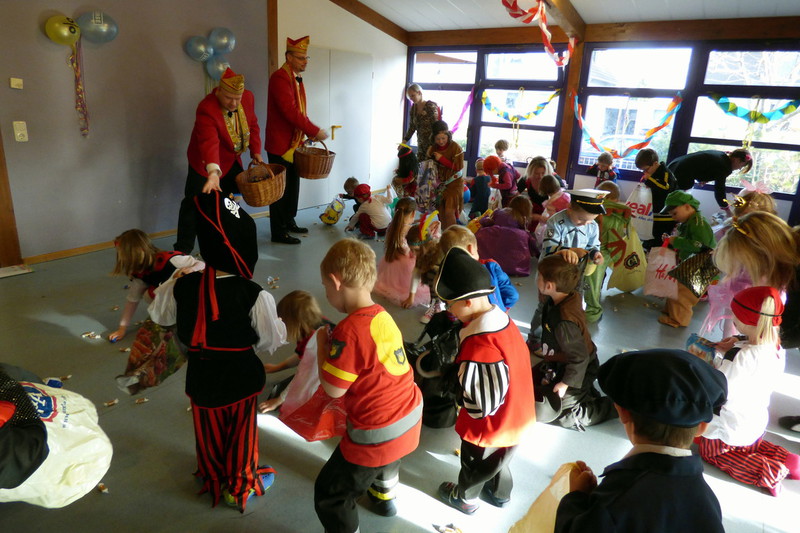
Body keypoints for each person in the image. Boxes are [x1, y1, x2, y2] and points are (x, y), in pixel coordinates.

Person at [149, 191, 287, 512]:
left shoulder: (183, 284)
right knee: (241, 432)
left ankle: (212, 475)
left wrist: (174, 280)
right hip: (240, 376)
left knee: (207, 427)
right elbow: (271, 339)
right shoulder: (253, 293)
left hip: (201, 375)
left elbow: (161, 316)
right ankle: (239, 486)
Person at [554, 349, 727, 533]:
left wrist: (576, 497)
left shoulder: (614, 500)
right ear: (702, 427)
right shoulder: (709, 502)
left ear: (622, 412)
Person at [315, 238, 422, 531]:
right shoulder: (382, 316)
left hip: (376, 433)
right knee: (388, 459)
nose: (326, 293)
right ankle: (384, 498)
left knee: (330, 494)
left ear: (336, 282)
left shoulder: (348, 330)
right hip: (409, 418)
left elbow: (333, 389)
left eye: (325, 287)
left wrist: (322, 346)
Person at [433, 247, 535, 515]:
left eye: (449, 303)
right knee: (501, 459)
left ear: (467, 302)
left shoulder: (480, 347)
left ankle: (466, 499)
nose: (448, 309)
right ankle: (500, 494)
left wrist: (461, 392)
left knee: (476, 464)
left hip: (489, 427)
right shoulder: (502, 320)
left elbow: (482, 406)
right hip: (517, 415)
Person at [697, 286, 800, 496]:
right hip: (755, 421)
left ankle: (769, 472)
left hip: (730, 425)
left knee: (713, 454)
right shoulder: (776, 347)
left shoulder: (739, 357)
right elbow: (751, 358)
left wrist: (706, 366)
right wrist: (737, 342)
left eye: (735, 315)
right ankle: (790, 460)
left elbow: (719, 390)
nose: (733, 319)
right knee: (750, 446)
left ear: (745, 321)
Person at [174, 68, 263, 254]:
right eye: (229, 98)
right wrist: (213, 172)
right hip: (204, 161)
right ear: (219, 90)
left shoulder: (248, 98)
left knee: (231, 201)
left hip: (232, 159)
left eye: (237, 98)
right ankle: (182, 251)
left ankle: (230, 242)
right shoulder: (206, 108)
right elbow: (209, 142)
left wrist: (256, 151)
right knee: (193, 204)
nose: (234, 103)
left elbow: (253, 124)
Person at [529, 254, 615, 431]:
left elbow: (580, 358)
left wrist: (565, 384)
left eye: (539, 277)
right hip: (558, 362)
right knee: (528, 384)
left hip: (579, 368)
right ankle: (583, 392)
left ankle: (608, 407)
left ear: (549, 286)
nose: (536, 279)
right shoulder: (566, 295)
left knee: (559, 415)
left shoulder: (564, 322)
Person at [265, 35, 329, 245]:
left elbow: (299, 112)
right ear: (288, 57)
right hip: (280, 145)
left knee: (293, 186)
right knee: (279, 191)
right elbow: (289, 112)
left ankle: (289, 221)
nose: (305, 61)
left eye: (306, 57)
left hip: (295, 143)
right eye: (301, 57)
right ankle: (278, 231)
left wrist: (308, 133)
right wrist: (314, 129)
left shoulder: (295, 78)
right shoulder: (279, 78)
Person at [109, 229, 204, 342]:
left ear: (139, 251)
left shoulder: (171, 259)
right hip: (176, 299)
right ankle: (176, 320)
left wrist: (191, 269)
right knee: (148, 294)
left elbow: (202, 264)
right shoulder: (141, 274)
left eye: (125, 255)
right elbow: (132, 300)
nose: (122, 260)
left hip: (196, 295)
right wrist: (122, 329)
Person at [258, 290, 331, 413]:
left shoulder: (315, 341)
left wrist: (279, 400)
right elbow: (302, 355)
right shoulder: (312, 324)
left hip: (328, 379)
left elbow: (304, 375)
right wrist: (278, 367)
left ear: (294, 323)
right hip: (319, 367)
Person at [657, 190, 716, 328]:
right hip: (692, 264)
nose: (673, 217)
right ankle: (671, 311)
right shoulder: (689, 222)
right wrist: (672, 240)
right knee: (676, 287)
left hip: (701, 266)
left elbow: (700, 245)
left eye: (675, 213)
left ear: (687, 207)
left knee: (683, 293)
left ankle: (678, 319)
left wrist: (676, 241)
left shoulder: (699, 224)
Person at [583, 182, 635, 323]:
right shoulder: (622, 213)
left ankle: (592, 311)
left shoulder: (598, 211)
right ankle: (593, 307)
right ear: (617, 199)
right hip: (609, 251)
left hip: (595, 251)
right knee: (598, 279)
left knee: (591, 281)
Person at [440, 225, 518, 312]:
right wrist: (504, 309)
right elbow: (512, 295)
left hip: (464, 317)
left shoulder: (446, 274)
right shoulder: (490, 266)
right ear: (471, 249)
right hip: (496, 314)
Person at [373, 197, 430, 307]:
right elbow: (413, 250)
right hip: (405, 266)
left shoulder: (392, 226)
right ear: (413, 213)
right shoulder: (410, 230)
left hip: (391, 261)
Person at [667, 148, 753, 210]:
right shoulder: (725, 166)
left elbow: (702, 165)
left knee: (675, 198)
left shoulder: (721, 156)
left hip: (674, 165)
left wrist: (703, 179)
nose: (739, 168)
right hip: (681, 173)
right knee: (677, 202)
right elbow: (719, 189)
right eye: (742, 165)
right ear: (737, 159)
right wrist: (725, 208)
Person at [476, 195, 537, 277]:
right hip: (513, 261)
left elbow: (486, 222)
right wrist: (537, 253)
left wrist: (485, 219)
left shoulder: (499, 211)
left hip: (494, 239)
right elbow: (531, 242)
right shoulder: (523, 219)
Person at [634, 148, 677, 250]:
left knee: (659, 239)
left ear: (655, 163)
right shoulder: (653, 173)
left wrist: (650, 179)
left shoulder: (665, 173)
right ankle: (648, 250)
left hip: (666, 216)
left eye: (646, 169)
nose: (645, 172)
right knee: (650, 236)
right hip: (654, 213)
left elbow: (665, 188)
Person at [403, 218, 444, 323]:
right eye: (411, 249)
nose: (413, 253)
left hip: (448, 281)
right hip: (437, 284)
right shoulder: (423, 253)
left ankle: (442, 305)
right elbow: (416, 272)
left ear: (428, 243)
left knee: (432, 271)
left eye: (416, 250)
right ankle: (435, 304)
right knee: (428, 272)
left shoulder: (440, 250)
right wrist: (411, 296)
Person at [428, 120, 465, 229]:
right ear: (433, 138)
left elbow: (458, 167)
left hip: (454, 183)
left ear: (448, 135)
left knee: (449, 211)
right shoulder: (432, 148)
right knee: (441, 211)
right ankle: (445, 234)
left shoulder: (456, 148)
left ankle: (453, 234)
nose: (441, 141)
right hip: (439, 183)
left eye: (443, 138)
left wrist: (442, 159)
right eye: (438, 139)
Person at [402, 83, 440, 162]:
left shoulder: (430, 106)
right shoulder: (413, 109)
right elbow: (412, 127)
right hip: (421, 144)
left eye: (413, 95)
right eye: (410, 97)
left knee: (431, 167)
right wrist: (404, 141)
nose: (411, 98)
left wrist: (432, 145)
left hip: (432, 144)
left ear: (419, 93)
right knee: (421, 166)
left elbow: (436, 127)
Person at [532, 174, 571, 250]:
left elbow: (552, 221)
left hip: (558, 230)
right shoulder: (565, 195)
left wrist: (538, 217)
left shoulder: (552, 203)